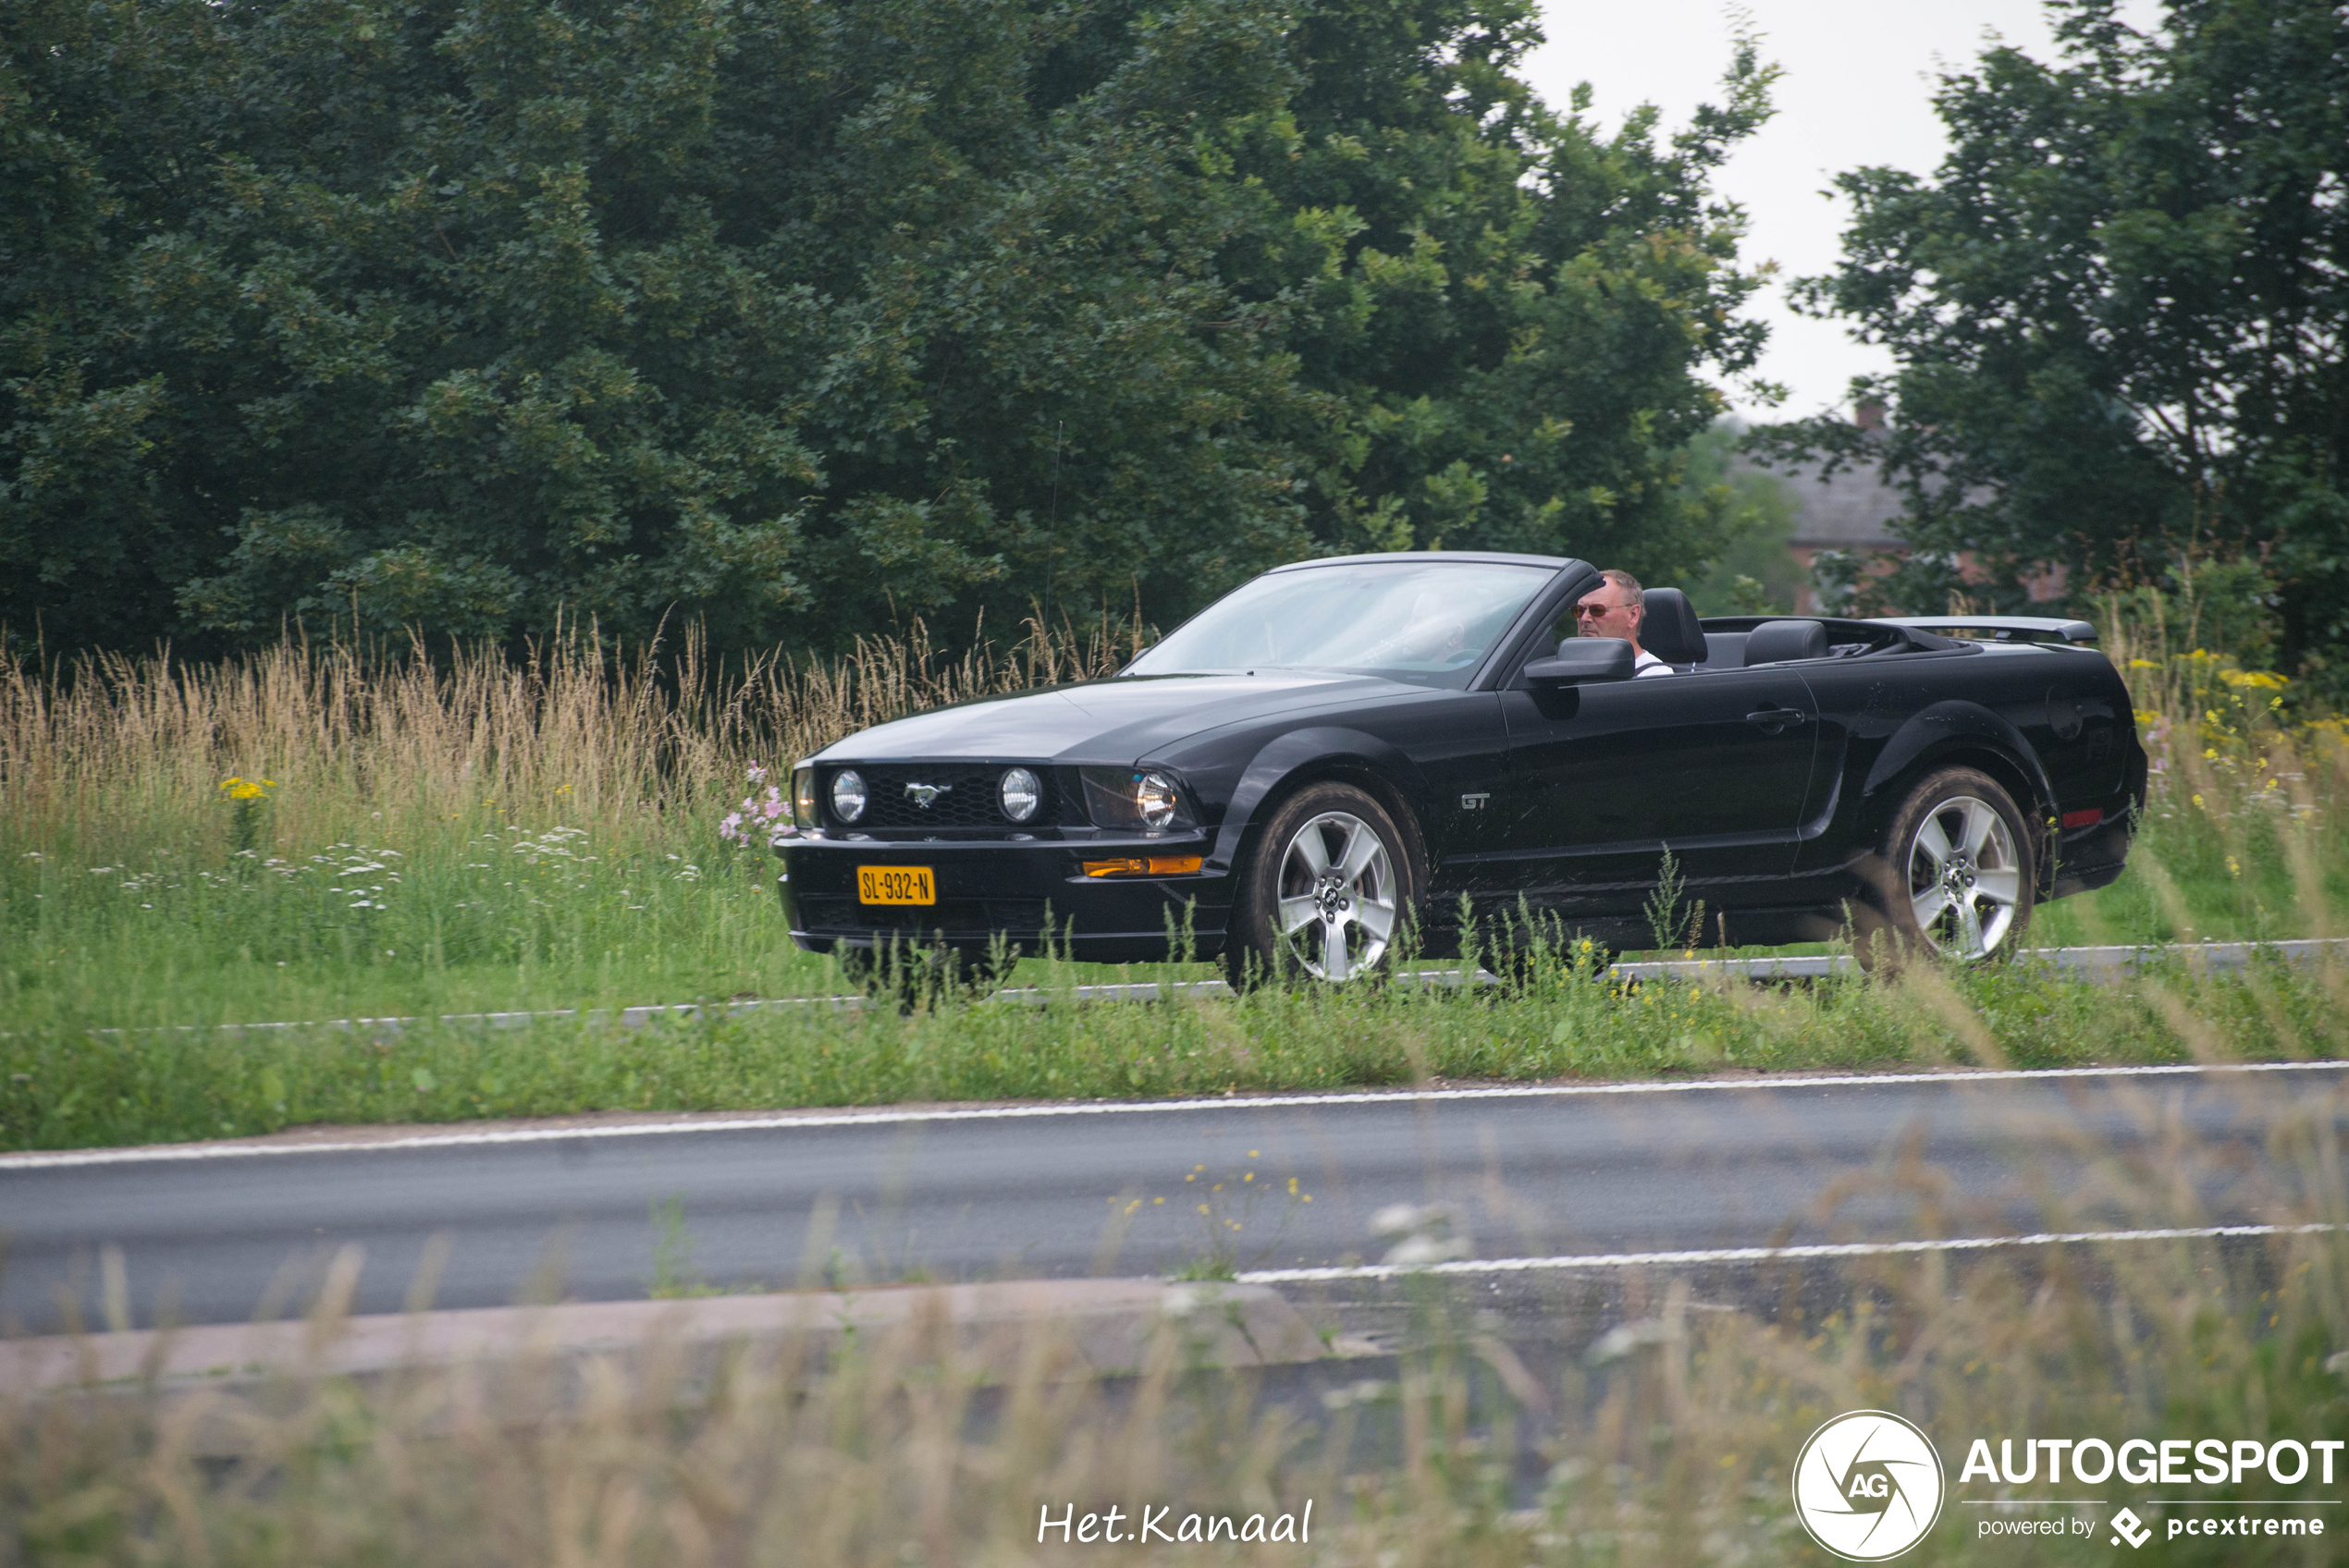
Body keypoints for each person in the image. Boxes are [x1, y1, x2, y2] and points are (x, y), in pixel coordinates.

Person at [1574, 569, 1672, 676]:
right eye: (1579, 610)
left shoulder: (1654, 677)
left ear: (1633, 615)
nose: (1584, 618)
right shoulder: (1570, 669)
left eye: (1597, 610)